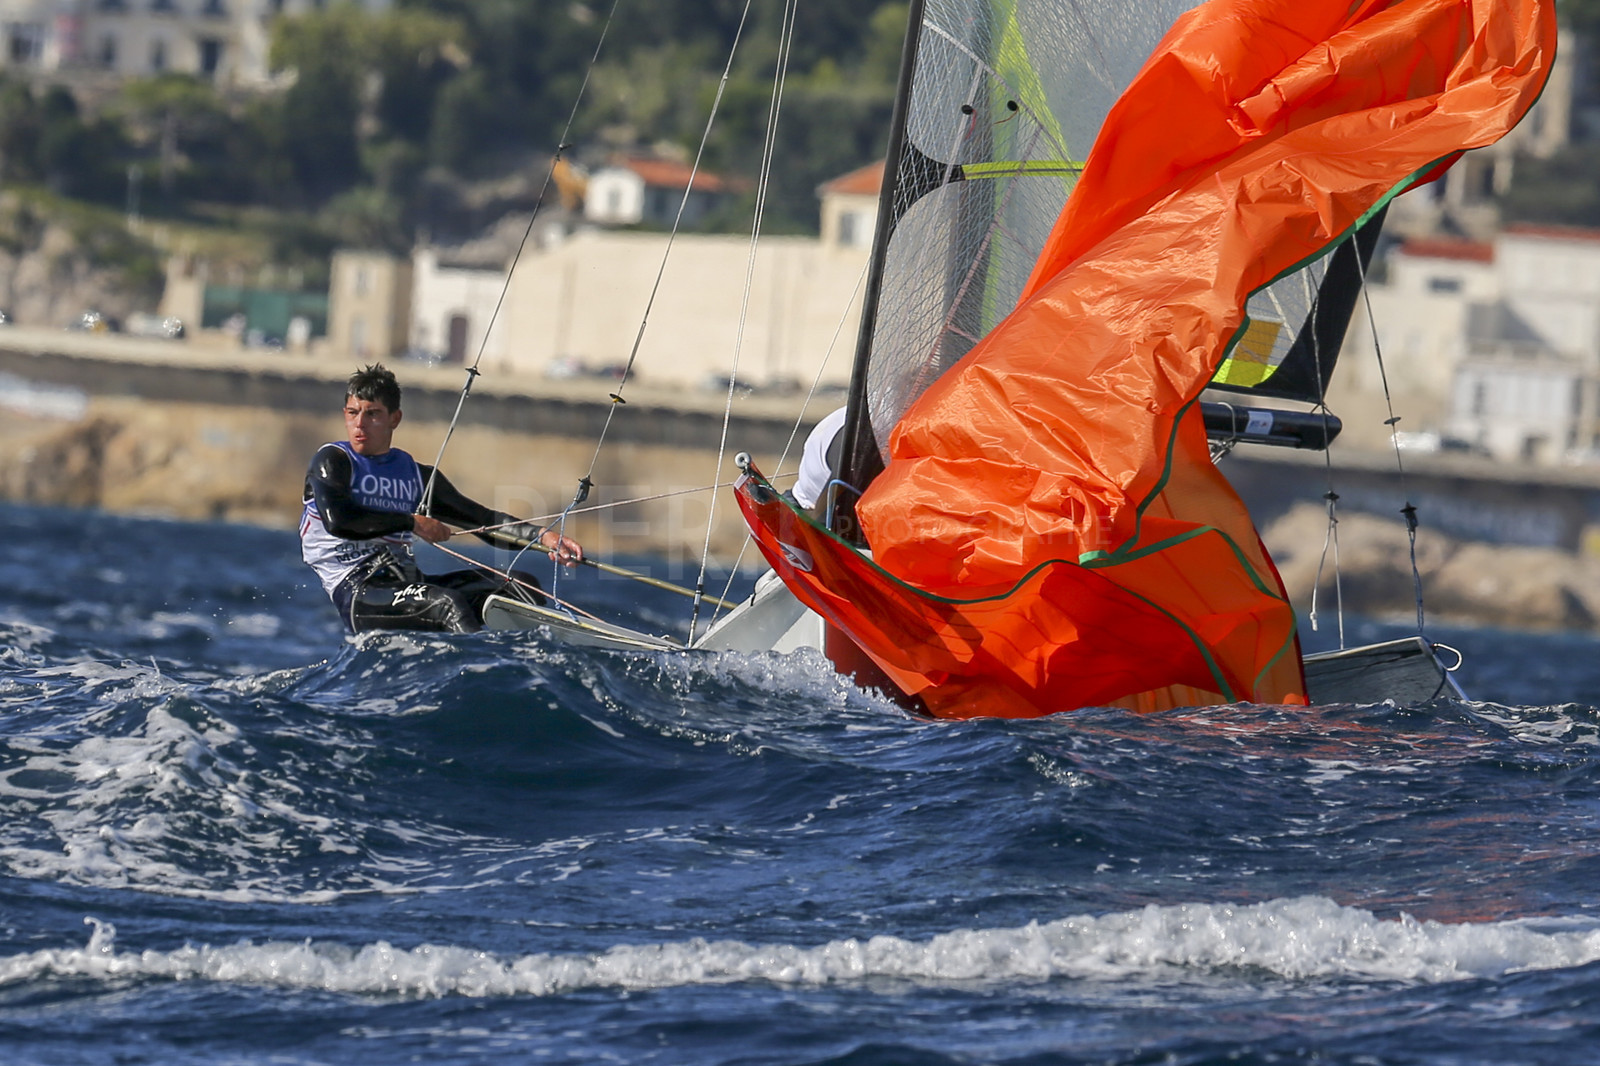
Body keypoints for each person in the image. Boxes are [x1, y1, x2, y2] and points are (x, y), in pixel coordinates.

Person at [300, 364, 584, 634]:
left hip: (407, 583)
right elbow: (340, 522)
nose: (359, 424)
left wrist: (542, 537)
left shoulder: (416, 476)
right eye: (352, 413)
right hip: (358, 591)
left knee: (521, 586)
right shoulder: (333, 461)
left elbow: (482, 520)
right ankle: (479, 664)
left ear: (394, 418)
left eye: (372, 414)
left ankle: (534, 657)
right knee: (446, 604)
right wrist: (412, 523)